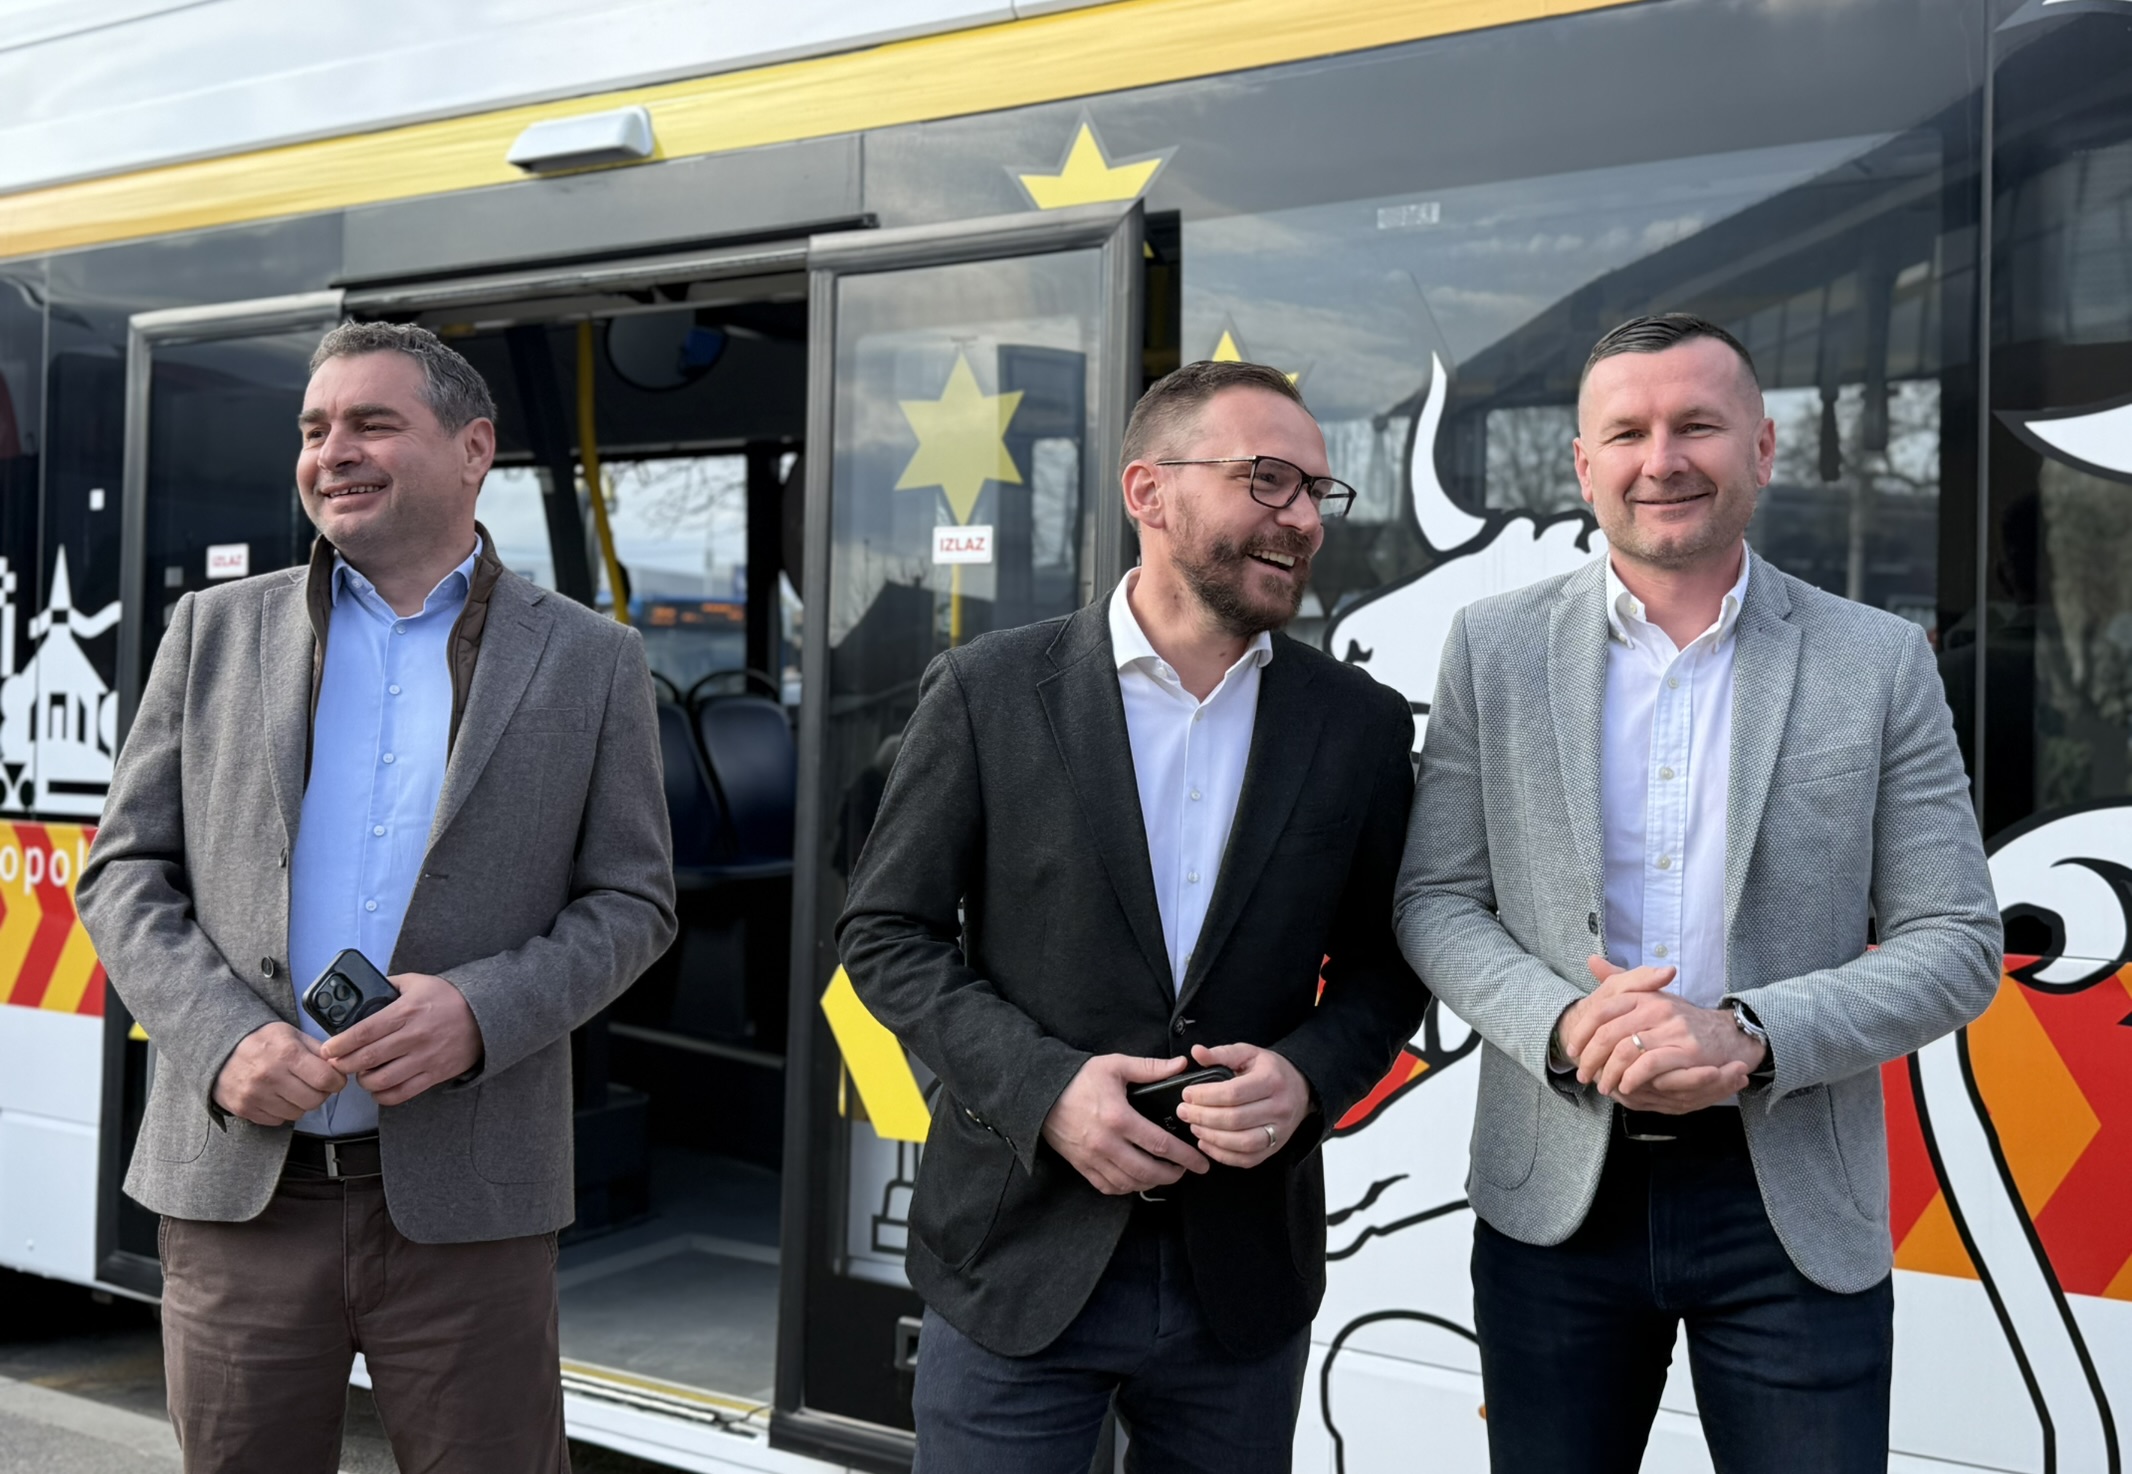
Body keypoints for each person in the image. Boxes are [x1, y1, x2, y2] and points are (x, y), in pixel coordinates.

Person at [1396, 314, 2001, 1473]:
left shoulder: (1877, 661)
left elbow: (1956, 940)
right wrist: (1564, 1023)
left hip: (1788, 1201)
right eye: (1625, 432)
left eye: (1695, 425)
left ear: (1761, 448)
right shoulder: (1490, 649)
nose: (1659, 458)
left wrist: (1747, 1034)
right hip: (1553, 1196)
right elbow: (1434, 898)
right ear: (1583, 465)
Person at [77, 321, 677, 1473]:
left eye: (371, 423)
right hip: (243, 1200)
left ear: (473, 449)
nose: (332, 451)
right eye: (314, 429)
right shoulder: (214, 630)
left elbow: (633, 902)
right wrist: (222, 1039)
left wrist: (480, 1012)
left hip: (469, 1210)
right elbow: (123, 870)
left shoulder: (590, 659)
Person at [838, 360, 1426, 1472]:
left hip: (1243, 1278)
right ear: (1148, 490)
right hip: (1015, 1258)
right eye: (1268, 480)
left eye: (1316, 491)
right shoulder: (985, 690)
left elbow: (1388, 966)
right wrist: (1046, 1090)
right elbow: (885, 935)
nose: (1303, 518)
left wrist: (1305, 1080)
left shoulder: (1357, 723)